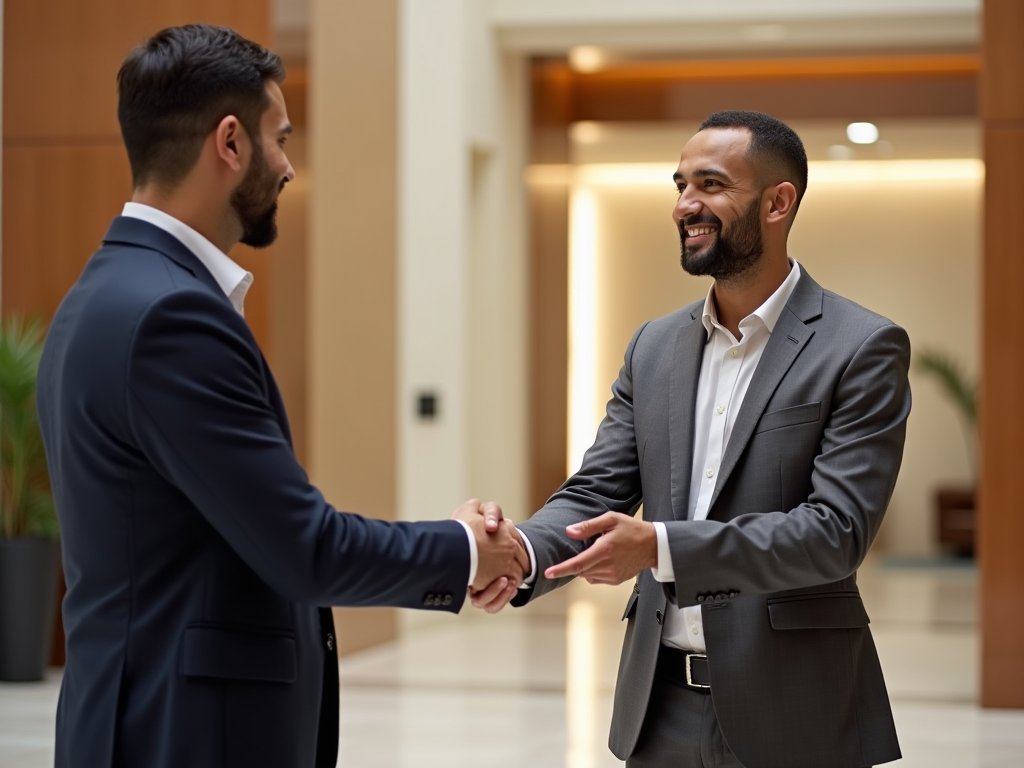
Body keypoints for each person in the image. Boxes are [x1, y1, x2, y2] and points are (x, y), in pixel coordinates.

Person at [36, 24, 526, 768]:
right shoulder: (173, 315)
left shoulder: (102, 294)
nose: (290, 167)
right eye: (280, 138)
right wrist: (464, 550)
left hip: (139, 718)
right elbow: (304, 548)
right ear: (229, 144)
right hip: (185, 734)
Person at [473, 111, 910, 768]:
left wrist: (660, 546)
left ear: (778, 202)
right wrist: (520, 552)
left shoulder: (861, 346)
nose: (684, 205)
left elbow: (835, 533)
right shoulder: (655, 347)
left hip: (797, 710)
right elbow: (597, 489)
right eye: (679, 185)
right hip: (660, 708)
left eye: (710, 185)